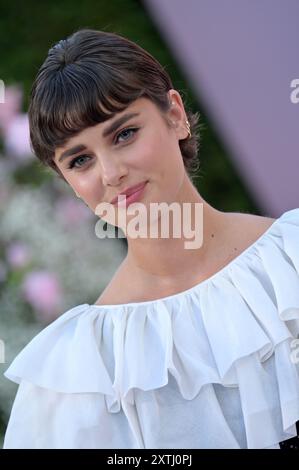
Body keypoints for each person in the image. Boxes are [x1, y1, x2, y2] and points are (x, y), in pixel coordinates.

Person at [3, 28, 299, 449]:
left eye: (124, 134)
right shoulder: (83, 372)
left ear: (174, 115)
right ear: (68, 181)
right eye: (80, 159)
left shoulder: (292, 261)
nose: (111, 173)